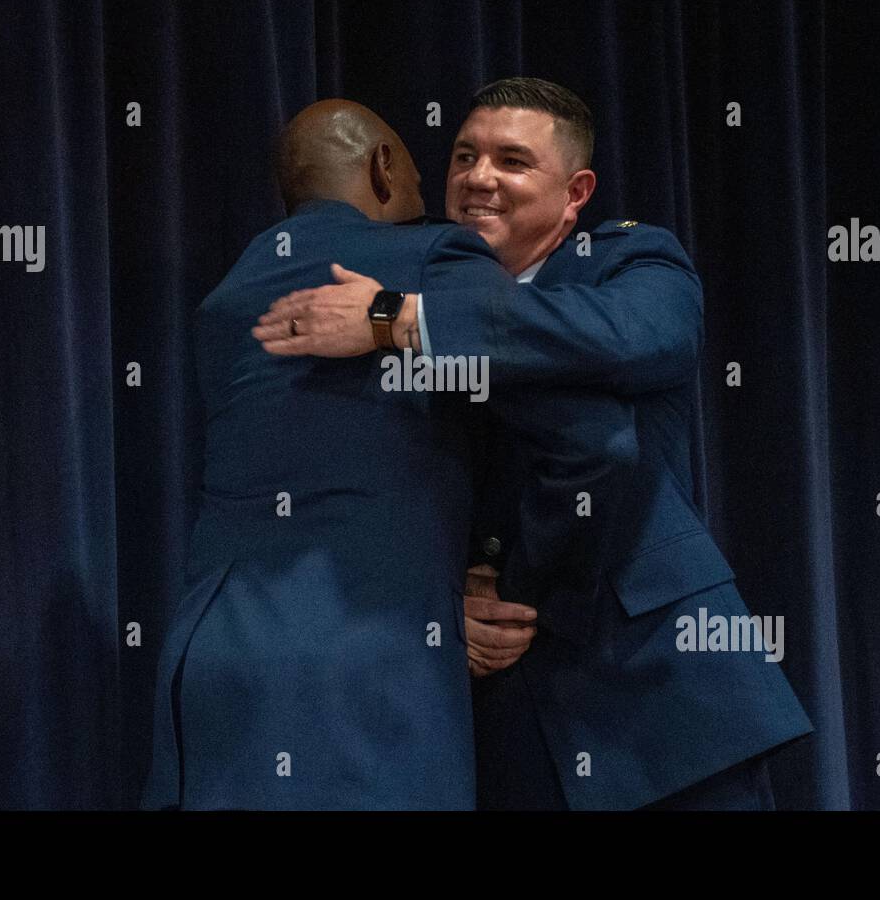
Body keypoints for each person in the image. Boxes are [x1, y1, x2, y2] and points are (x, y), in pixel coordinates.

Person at [254, 78, 814, 809]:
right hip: (503, 713)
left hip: (664, 695)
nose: (478, 178)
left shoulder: (632, 262)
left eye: (512, 161)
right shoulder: (405, 291)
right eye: (463, 157)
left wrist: (406, 319)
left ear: (576, 192)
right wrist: (446, 603)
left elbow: (636, 340)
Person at [141, 99, 633, 809]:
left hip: (208, 673)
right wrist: (520, 590)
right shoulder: (432, 256)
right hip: (366, 676)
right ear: (382, 168)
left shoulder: (226, 300)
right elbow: (594, 436)